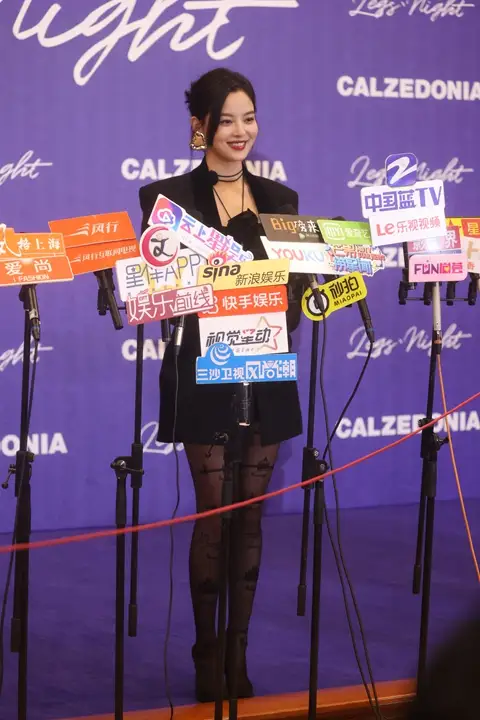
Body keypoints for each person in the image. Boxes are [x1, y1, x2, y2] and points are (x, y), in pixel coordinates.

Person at [139, 68, 305, 703]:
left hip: (267, 370)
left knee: (251, 517)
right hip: (203, 373)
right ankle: (206, 650)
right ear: (200, 125)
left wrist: (293, 288)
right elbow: (167, 295)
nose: (241, 131)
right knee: (214, 515)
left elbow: (292, 302)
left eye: (249, 118)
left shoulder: (282, 200)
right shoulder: (168, 200)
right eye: (228, 119)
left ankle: (239, 649)